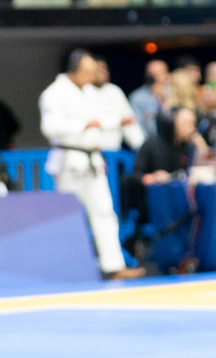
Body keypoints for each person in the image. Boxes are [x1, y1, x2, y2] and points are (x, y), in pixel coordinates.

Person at [39, 50, 144, 280]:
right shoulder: (54, 93)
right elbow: (50, 127)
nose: (90, 78)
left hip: (93, 159)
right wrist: (83, 125)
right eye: (87, 72)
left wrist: (118, 121)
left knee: (105, 213)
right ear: (73, 70)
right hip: (69, 160)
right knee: (71, 216)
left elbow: (100, 119)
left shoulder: (88, 93)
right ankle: (69, 268)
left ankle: (113, 266)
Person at [132, 106, 202, 185]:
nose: (191, 128)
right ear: (172, 122)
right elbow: (136, 176)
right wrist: (153, 177)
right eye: (186, 123)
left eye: (193, 124)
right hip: (156, 193)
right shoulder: (152, 144)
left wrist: (201, 146)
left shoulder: (189, 147)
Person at [89, 56, 144, 152]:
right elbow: (93, 121)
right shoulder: (85, 91)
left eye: (105, 69)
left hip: (115, 150)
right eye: (99, 69)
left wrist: (141, 147)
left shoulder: (115, 91)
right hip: (93, 151)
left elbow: (129, 120)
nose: (104, 72)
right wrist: (118, 121)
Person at [129, 59, 169, 141]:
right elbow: (137, 126)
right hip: (149, 145)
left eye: (160, 73)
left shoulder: (173, 94)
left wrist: (164, 100)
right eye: (152, 74)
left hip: (171, 145)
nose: (155, 78)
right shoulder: (138, 97)